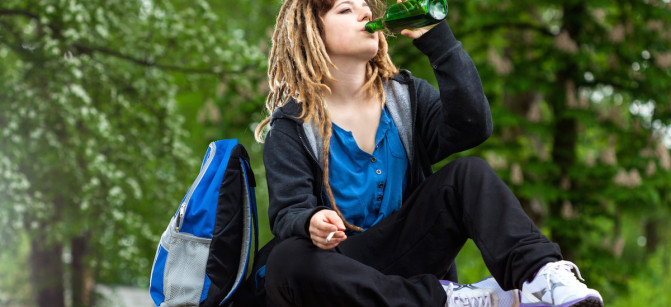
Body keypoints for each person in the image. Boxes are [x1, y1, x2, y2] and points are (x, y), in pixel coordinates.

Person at [254, 0, 604, 306]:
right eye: (346, 9)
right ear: (313, 35)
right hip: (340, 268)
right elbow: (288, 212)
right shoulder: (291, 127)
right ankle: (447, 301)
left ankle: (542, 278)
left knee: (469, 174)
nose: (365, 12)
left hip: (407, 253)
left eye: (366, 8)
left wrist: (440, 43)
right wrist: (310, 221)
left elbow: (472, 126)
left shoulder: (407, 98)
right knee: (287, 260)